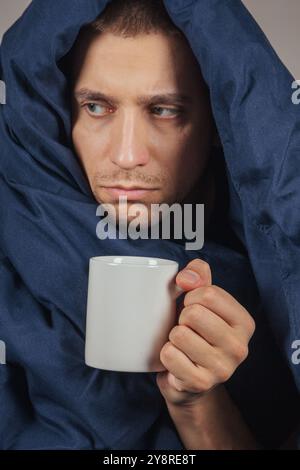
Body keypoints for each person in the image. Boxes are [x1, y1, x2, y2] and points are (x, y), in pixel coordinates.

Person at [0, 0, 299, 450]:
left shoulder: (261, 276)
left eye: (163, 110)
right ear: (64, 115)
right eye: (97, 107)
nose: (126, 155)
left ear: (216, 120)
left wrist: (195, 398)